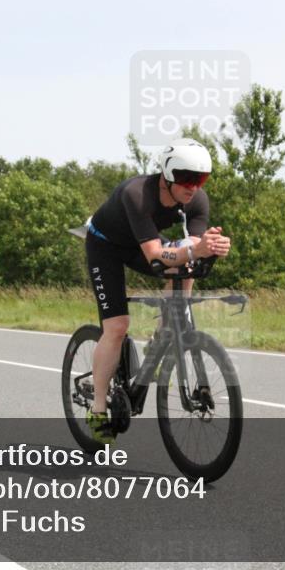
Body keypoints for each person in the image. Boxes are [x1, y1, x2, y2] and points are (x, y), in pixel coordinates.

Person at [83, 138, 231, 444]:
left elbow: (191, 247)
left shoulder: (197, 200)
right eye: (187, 179)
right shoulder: (136, 194)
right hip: (105, 246)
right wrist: (195, 250)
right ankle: (98, 408)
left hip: (141, 245)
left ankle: (167, 329)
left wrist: (210, 247)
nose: (194, 187)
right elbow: (154, 255)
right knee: (117, 327)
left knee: (186, 259)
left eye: (201, 179)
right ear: (166, 175)